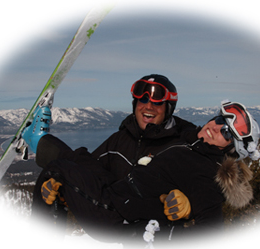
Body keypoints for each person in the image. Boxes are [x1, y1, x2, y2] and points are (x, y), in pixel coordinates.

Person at [24, 100, 260, 244]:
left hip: (116, 212)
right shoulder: (193, 141)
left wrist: (184, 216)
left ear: (232, 149)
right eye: (220, 119)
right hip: (122, 189)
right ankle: (37, 141)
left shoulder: (209, 173)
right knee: (82, 159)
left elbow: (210, 232)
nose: (216, 128)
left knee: (58, 170)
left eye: (227, 133)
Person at [21, 74, 197, 234]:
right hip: (115, 209)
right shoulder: (121, 139)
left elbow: (213, 183)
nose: (148, 105)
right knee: (67, 170)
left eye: (157, 101)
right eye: (141, 99)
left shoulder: (183, 144)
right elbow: (91, 170)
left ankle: (39, 141)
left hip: (151, 228)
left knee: (58, 170)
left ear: (168, 107)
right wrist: (68, 192)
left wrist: (191, 205)